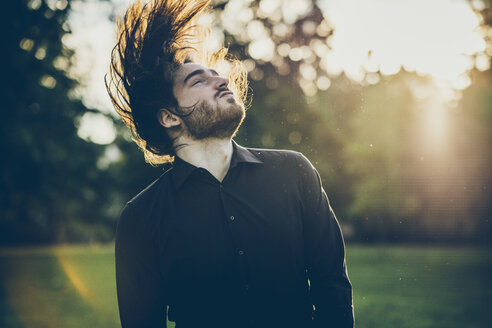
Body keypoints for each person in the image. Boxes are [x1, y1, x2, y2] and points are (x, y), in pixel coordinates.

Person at [105, 0, 354, 327]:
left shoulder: (294, 172)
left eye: (217, 75)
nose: (221, 81)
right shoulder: (141, 219)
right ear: (168, 116)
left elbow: (331, 284)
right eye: (198, 81)